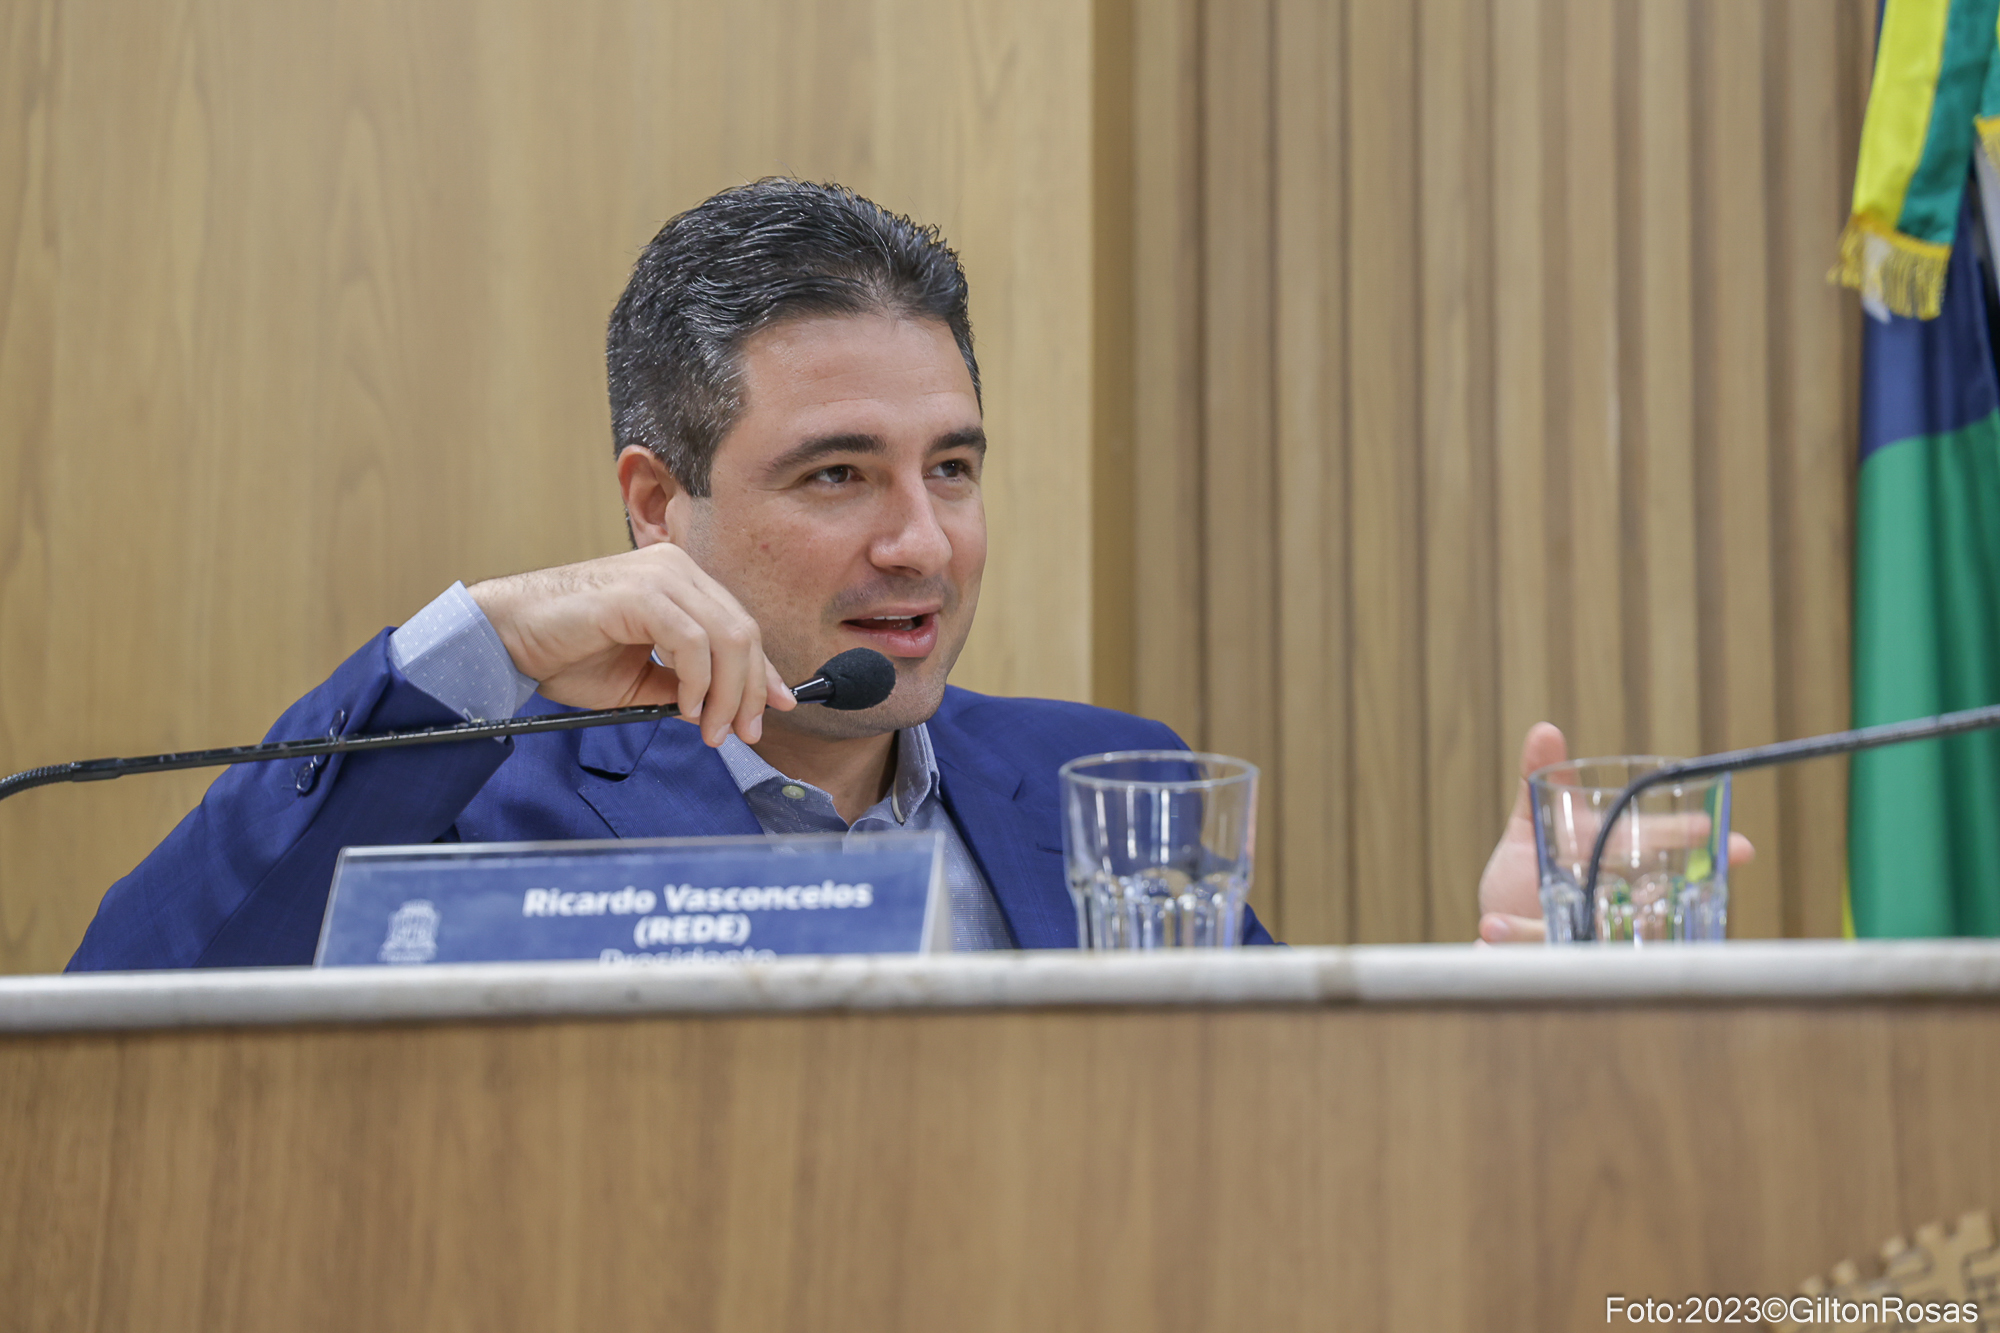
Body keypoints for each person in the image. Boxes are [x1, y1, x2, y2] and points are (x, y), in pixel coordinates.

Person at [65, 178, 1736, 969]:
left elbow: (1272, 1159)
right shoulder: (474, 811)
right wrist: (479, 643)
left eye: (952, 466)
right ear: (656, 504)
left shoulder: (1105, 784)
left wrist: (1509, 1002)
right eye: (838, 474)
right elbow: (125, 1009)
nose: (921, 542)